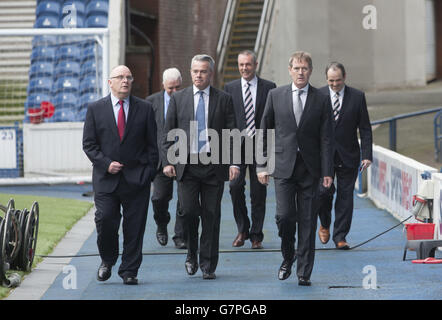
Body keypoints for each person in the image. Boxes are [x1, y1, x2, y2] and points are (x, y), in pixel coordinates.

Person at [257, 51, 333, 286]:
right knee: (285, 217)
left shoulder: (321, 98)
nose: (301, 72)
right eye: (297, 68)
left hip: (311, 170)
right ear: (289, 70)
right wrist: (262, 165)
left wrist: (328, 171)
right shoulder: (275, 95)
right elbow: (264, 131)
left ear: (310, 71)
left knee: (308, 222)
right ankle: (288, 256)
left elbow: (327, 138)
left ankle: (304, 272)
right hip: (282, 168)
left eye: (305, 68)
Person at [163, 54, 239, 280]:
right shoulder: (179, 99)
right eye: (195, 71)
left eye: (203, 71)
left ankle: (208, 264)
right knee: (188, 212)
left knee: (211, 215)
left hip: (213, 167)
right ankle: (191, 254)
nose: (198, 75)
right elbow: (167, 132)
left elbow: (232, 134)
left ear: (210, 73)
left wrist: (234, 162)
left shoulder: (223, 99)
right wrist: (168, 161)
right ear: (190, 72)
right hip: (187, 167)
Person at [82, 65, 158, 285]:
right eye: (120, 77)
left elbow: (153, 145)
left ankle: (129, 270)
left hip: (138, 179)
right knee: (105, 220)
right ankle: (107, 259)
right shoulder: (95, 109)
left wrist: (149, 173)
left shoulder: (144, 108)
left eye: (128, 77)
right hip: (106, 180)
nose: (125, 81)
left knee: (134, 228)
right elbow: (89, 144)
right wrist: (106, 164)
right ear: (110, 82)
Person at [317, 62, 373, 249]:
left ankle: (340, 237)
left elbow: (364, 128)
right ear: (326, 79)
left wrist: (367, 154)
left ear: (345, 77)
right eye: (331, 81)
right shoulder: (318, 96)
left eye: (338, 80)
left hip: (348, 155)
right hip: (323, 157)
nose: (334, 84)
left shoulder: (357, 97)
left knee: (345, 197)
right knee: (324, 193)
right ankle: (325, 223)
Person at [224, 50, 276, 249]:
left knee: (259, 192)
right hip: (237, 146)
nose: (244, 68)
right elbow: (226, 122)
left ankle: (256, 235)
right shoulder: (229, 88)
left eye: (248, 64)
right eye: (241, 65)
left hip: (261, 146)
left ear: (255, 65)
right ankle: (242, 228)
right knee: (235, 187)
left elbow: (272, 120)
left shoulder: (269, 88)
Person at [146, 67, 186, 249]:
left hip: (185, 158)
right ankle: (162, 224)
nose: (175, 91)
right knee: (159, 198)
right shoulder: (151, 102)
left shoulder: (189, 100)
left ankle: (180, 235)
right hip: (161, 159)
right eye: (171, 88)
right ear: (163, 85)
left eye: (178, 87)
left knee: (185, 200)